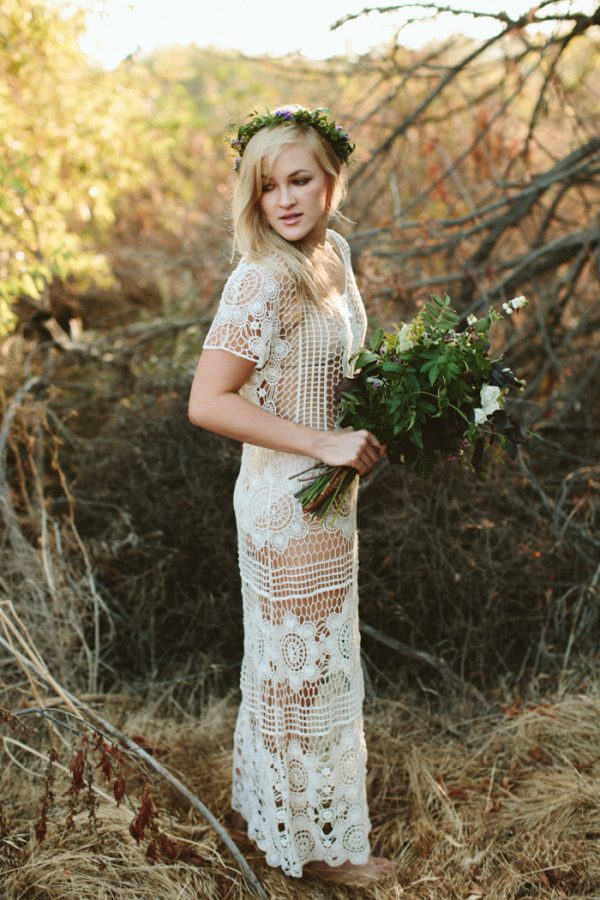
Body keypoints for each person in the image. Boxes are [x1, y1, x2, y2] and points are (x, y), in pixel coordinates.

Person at [187, 105, 398, 885]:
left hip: (332, 498)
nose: (284, 199)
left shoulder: (333, 255)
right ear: (253, 195)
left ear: (331, 180)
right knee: (299, 672)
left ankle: (265, 811)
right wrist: (320, 443)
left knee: (302, 664)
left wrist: (390, 404)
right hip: (284, 503)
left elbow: (331, 372)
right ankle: (311, 850)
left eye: (299, 179)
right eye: (267, 185)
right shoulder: (260, 279)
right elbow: (209, 402)